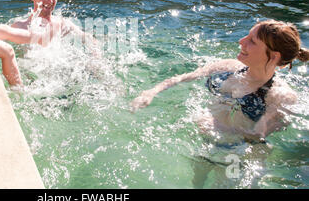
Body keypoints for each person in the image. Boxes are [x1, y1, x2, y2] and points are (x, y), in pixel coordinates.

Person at [131, 20, 309, 142]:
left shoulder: (280, 97)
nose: (241, 41)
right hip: (202, 137)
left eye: (252, 41)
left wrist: (217, 128)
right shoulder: (228, 67)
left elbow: (258, 136)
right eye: (246, 36)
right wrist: (150, 93)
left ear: (273, 56)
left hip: (233, 153)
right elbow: (181, 79)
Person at [11, 0, 98, 50]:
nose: (49, 1)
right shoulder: (20, 27)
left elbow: (89, 39)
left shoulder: (62, 24)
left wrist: (95, 55)